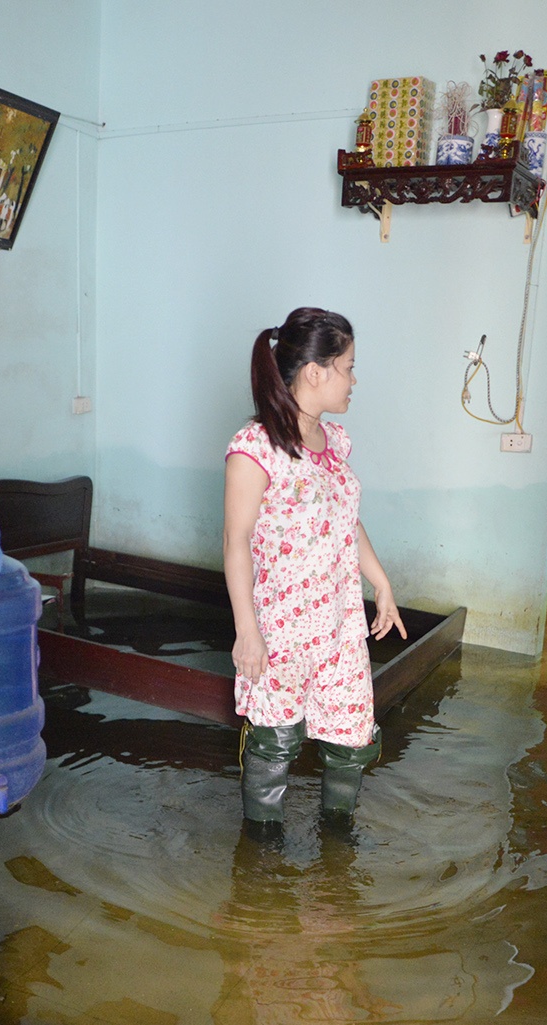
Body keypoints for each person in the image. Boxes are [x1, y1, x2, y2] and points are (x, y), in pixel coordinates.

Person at [223, 306, 404, 825]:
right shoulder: (255, 448)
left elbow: (346, 521)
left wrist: (382, 584)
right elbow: (235, 542)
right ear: (315, 371)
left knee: (350, 742)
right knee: (274, 744)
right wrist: (246, 631)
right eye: (347, 366)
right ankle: (261, 857)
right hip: (281, 632)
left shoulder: (332, 444)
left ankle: (337, 854)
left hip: (340, 629)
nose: (353, 379)